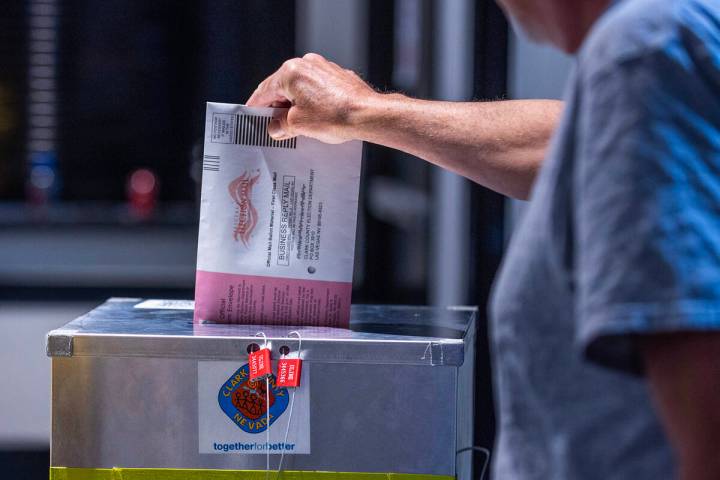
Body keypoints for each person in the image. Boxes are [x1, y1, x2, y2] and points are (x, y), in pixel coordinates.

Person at [247, 0, 720, 478]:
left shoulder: (649, 45)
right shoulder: (673, 43)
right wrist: (359, 110)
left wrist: (358, 111)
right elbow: (570, 140)